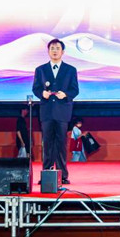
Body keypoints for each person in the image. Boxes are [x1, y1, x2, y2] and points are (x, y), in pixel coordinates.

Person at [32, 38, 80, 185]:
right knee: (47, 144)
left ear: (63, 52)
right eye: (52, 48)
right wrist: (42, 93)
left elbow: (75, 90)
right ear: (48, 51)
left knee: (61, 144)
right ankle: (46, 174)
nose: (54, 51)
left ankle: (62, 175)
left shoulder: (70, 70)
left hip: (62, 111)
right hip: (46, 111)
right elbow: (36, 88)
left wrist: (65, 94)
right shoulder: (40, 70)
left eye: (57, 48)